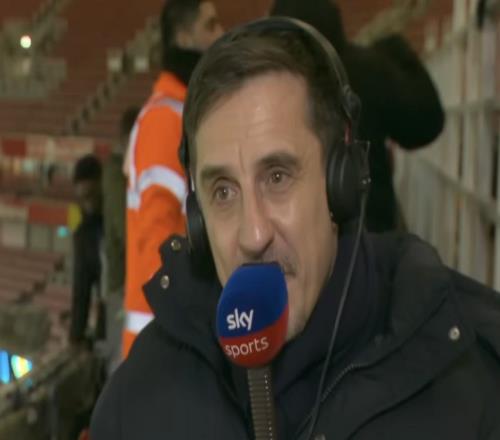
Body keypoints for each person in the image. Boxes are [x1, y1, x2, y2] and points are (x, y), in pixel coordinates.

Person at [91, 18, 500, 439]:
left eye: (277, 177)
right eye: (224, 191)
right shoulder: (134, 405)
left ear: (341, 180)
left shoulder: (474, 386)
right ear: (196, 216)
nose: (253, 236)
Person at [271, 0, 445, 233]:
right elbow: (425, 124)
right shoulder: (367, 70)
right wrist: (397, 49)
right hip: (368, 235)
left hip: (288, 235)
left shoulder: (263, 83)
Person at [122, 0, 223, 356]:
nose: (221, 34)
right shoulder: (166, 120)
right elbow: (159, 241)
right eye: (210, 25)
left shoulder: (183, 113)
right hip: (162, 344)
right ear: (183, 36)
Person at [101, 106, 140, 372]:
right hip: (121, 285)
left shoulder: (122, 172)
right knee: (121, 363)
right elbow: (124, 230)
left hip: (125, 283)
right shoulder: (117, 173)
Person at [69, 154, 104, 344]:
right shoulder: (81, 231)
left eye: (90, 196)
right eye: (82, 198)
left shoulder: (117, 221)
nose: (87, 204)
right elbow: (80, 290)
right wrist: (75, 337)